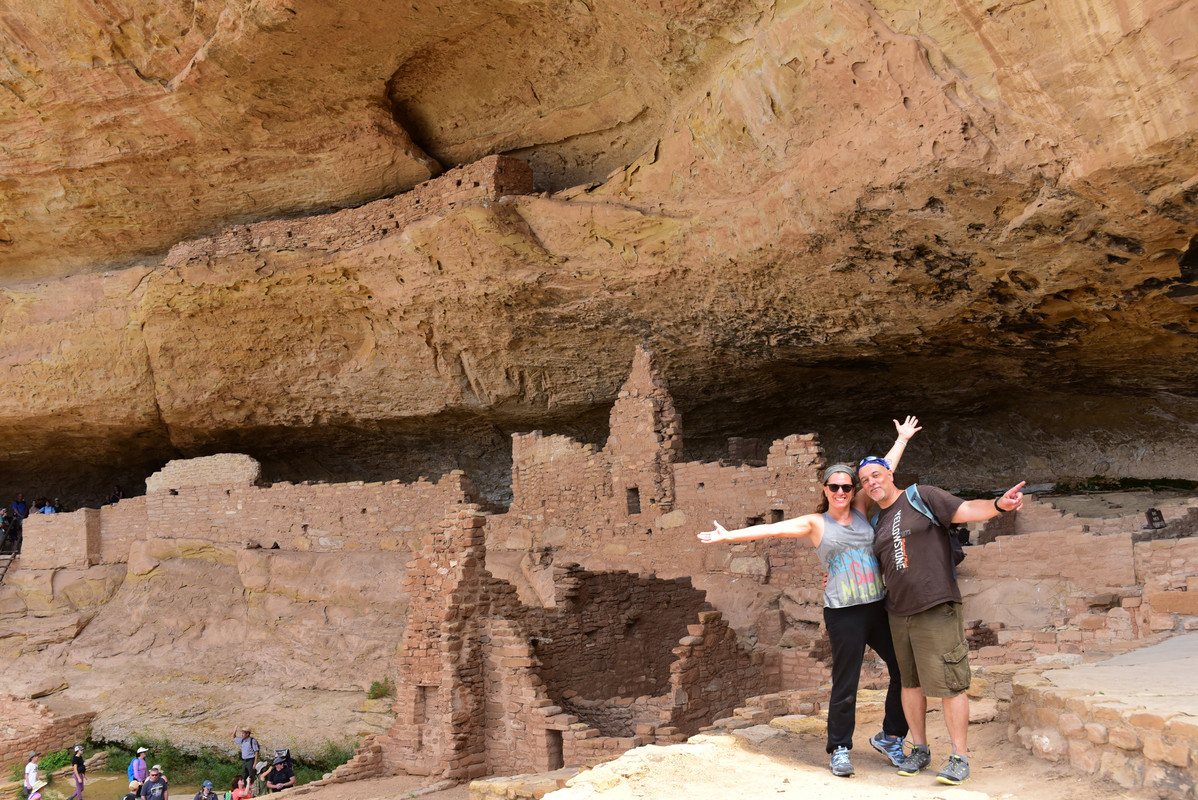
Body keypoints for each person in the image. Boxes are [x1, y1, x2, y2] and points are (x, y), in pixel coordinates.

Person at [698, 416, 922, 777]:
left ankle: (891, 736)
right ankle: (840, 748)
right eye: (834, 487)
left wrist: (901, 441)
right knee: (846, 681)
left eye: (847, 487)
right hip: (844, 613)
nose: (841, 492)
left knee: (904, 670)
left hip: (877, 607)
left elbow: (881, 472)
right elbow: (773, 528)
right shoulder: (816, 523)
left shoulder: (862, 509)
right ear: (825, 489)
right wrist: (730, 537)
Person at [858, 455, 1025, 786]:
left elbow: (964, 510)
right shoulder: (878, 520)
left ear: (889, 473)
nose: (871, 483)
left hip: (935, 605)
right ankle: (919, 748)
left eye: (876, 475)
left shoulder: (922, 496)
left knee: (950, 684)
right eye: (865, 480)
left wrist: (998, 505)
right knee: (910, 683)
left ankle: (959, 756)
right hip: (898, 611)